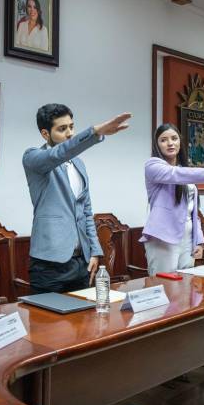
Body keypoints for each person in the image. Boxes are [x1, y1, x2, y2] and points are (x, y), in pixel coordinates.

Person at [23, 104, 131, 293]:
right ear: (45, 134)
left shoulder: (78, 164)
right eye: (62, 129)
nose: (70, 133)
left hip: (81, 262)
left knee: (83, 321)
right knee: (48, 322)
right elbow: (59, 153)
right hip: (49, 265)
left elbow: (86, 212)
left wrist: (95, 251)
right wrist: (95, 132)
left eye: (71, 127)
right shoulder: (33, 157)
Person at [141, 124, 204, 275]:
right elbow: (176, 174)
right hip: (163, 238)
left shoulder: (184, 169)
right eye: (163, 140)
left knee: (186, 283)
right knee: (164, 284)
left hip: (187, 238)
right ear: (157, 144)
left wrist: (199, 241)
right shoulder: (152, 165)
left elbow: (192, 213)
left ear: (180, 142)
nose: (170, 143)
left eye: (174, 138)